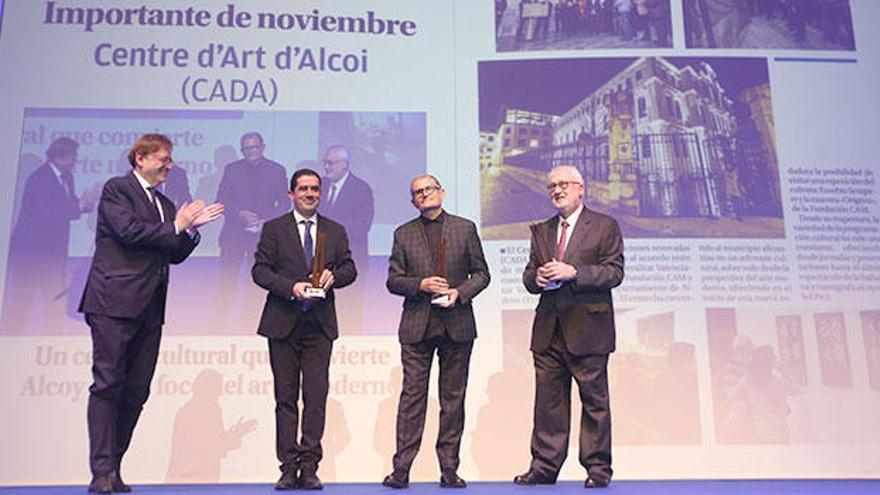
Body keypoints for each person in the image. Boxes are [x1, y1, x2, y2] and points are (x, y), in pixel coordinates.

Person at [80, 133, 224, 493]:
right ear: (140, 158)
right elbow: (129, 233)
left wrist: (189, 231)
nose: (169, 166)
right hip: (113, 303)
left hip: (150, 308)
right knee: (108, 384)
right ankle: (100, 473)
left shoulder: (163, 202)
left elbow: (171, 252)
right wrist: (176, 225)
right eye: (164, 159)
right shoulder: (117, 189)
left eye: (170, 160)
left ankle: (114, 467)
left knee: (136, 391)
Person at [514, 165, 624, 489]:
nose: (557, 190)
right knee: (547, 405)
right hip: (548, 330)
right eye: (551, 186)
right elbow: (528, 274)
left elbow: (614, 273)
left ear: (581, 188)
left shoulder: (605, 226)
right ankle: (544, 467)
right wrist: (536, 278)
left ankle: (598, 469)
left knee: (595, 403)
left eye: (564, 184)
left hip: (589, 328)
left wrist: (573, 272)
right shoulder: (544, 229)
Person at [381, 175, 490, 489]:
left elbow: (482, 273)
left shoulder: (465, 228)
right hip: (418, 326)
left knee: (452, 400)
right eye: (417, 192)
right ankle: (401, 470)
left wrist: (459, 292)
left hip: (457, 323)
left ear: (441, 192)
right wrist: (420, 285)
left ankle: (449, 469)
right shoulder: (403, 233)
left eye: (428, 189)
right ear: (413, 201)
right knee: (412, 398)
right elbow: (393, 280)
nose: (423, 194)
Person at [252, 168, 357, 490]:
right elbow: (260, 271)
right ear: (291, 194)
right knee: (285, 399)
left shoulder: (335, 230)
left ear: (320, 193)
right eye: (303, 188)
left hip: (319, 326)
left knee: (315, 397)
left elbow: (350, 268)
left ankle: (310, 467)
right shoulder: (274, 229)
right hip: (282, 324)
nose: (310, 193)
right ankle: (287, 467)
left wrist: (334, 276)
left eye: (314, 189)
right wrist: (290, 286)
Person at [3, 137, 99, 333]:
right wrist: (79, 205)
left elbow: (68, 207)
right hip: (30, 254)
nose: (75, 161)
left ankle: (50, 342)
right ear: (59, 156)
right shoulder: (39, 178)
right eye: (73, 156)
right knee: (22, 301)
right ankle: (11, 343)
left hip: (54, 253)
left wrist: (87, 201)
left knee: (53, 300)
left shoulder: (67, 177)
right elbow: (51, 213)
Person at [213, 132, 288, 329]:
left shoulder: (276, 170)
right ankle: (218, 327)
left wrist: (267, 221)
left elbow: (285, 203)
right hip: (233, 235)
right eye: (245, 149)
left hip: (262, 237)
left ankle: (251, 326)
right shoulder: (232, 169)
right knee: (226, 282)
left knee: (257, 282)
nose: (250, 152)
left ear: (262, 147)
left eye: (253, 147)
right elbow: (221, 201)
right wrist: (239, 213)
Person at [318, 144, 374, 333]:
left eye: (331, 163)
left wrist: (331, 223)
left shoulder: (361, 189)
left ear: (345, 165)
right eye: (325, 162)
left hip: (351, 261)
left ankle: (352, 353)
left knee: (351, 312)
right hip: (320, 261)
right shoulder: (320, 186)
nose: (326, 167)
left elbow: (362, 226)